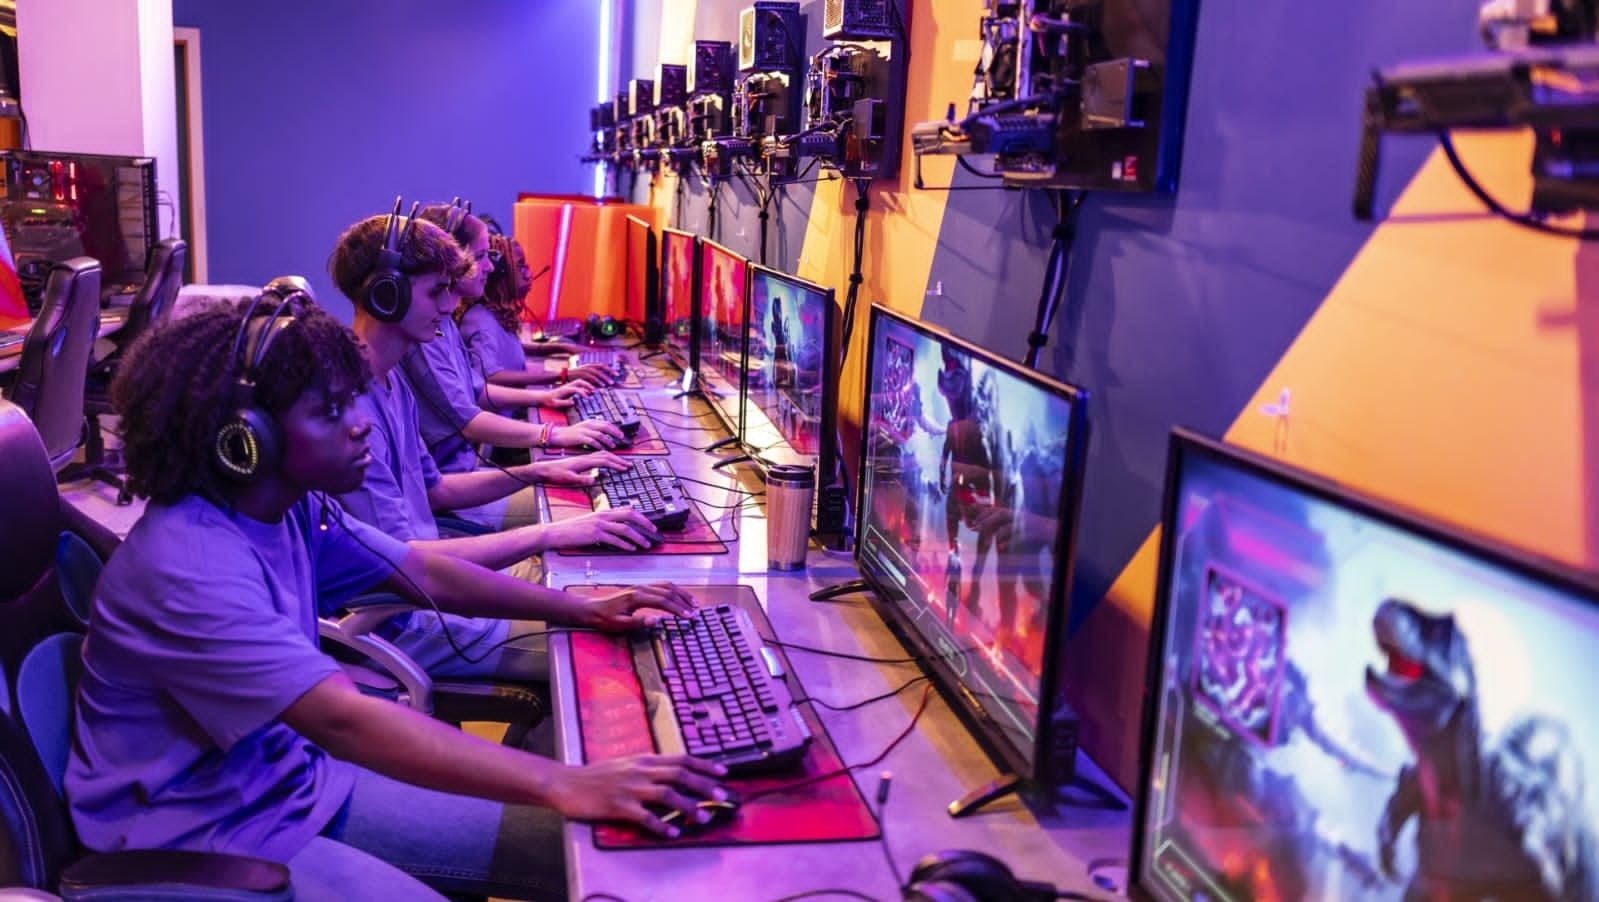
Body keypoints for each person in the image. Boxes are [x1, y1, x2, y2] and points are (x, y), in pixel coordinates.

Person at [65, 300, 726, 901]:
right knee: (592, 845)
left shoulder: (289, 508)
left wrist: (582, 609)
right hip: (211, 833)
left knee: (609, 836)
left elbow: (423, 572)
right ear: (247, 441)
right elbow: (343, 721)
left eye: (352, 403)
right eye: (329, 412)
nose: (360, 426)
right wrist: (564, 783)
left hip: (296, 778)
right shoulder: (188, 567)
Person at [327, 213, 658, 680]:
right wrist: (548, 533)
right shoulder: (351, 414)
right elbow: (410, 562)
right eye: (436, 292)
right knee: (621, 653)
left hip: (440, 580)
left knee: (604, 578)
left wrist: (536, 471)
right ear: (387, 295)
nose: (449, 306)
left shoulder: (391, 380)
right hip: (405, 620)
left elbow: (436, 489)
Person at [400, 202, 626, 506]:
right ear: (451, 262)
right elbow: (468, 420)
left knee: (588, 487)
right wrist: (551, 434)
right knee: (582, 502)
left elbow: (478, 390)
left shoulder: (443, 324)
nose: (492, 268)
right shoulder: (427, 336)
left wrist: (546, 397)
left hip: (465, 474)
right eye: (481, 256)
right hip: (456, 490)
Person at [459, 230, 614, 390]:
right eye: (520, 266)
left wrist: (561, 348)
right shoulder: (481, 321)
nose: (528, 274)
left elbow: (508, 350)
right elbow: (489, 377)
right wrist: (563, 375)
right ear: (499, 273)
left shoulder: (494, 314)